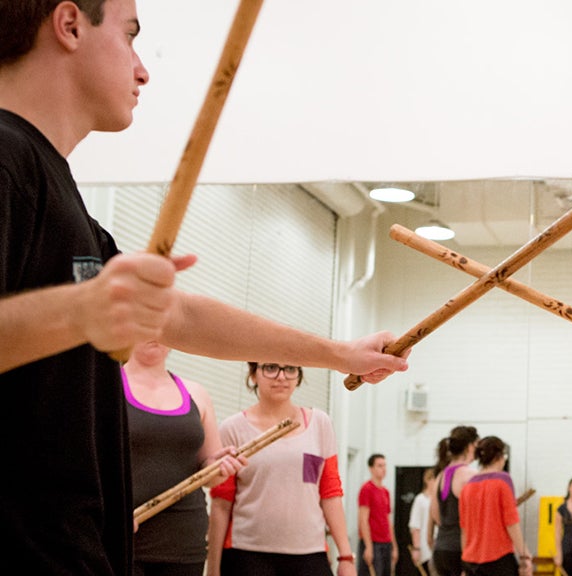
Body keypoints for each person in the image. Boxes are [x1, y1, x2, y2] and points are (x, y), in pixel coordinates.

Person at [0, 1, 407, 573]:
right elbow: (93, 312)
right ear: (69, 25)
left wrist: (340, 354)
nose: (143, 70)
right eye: (130, 36)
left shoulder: (59, 190)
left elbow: (180, 316)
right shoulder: (6, 157)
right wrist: (81, 311)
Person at [206, 362, 357, 576]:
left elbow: (330, 493)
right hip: (247, 554)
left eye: (290, 369)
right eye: (270, 368)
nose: (281, 377)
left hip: (310, 553)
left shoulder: (319, 423)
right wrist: (213, 568)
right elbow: (221, 503)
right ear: (253, 374)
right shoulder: (233, 428)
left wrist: (346, 557)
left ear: (299, 375)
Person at [123, 341, 246, 575]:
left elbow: (209, 473)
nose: (155, 335)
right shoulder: (106, 389)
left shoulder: (196, 393)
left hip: (185, 540)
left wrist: (220, 466)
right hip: (125, 538)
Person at [459, 436, 532, 576]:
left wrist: (465, 561)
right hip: (498, 559)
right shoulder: (503, 481)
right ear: (499, 457)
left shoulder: (467, 487)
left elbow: (464, 530)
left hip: (471, 561)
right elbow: (511, 523)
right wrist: (524, 553)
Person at [431, 425, 480, 576]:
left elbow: (436, 515)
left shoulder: (440, 476)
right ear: (470, 447)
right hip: (461, 550)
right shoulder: (470, 475)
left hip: (441, 548)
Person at [359, 454, 399, 576]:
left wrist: (394, 546)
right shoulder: (366, 489)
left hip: (386, 543)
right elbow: (363, 520)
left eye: (384, 465)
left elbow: (388, 520)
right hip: (373, 543)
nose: (383, 469)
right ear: (371, 468)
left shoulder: (385, 492)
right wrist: (368, 546)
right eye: (379, 465)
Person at [409, 468, 437, 576]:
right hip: (425, 548)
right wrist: (416, 548)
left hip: (437, 547)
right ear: (427, 480)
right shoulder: (420, 500)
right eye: (434, 479)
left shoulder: (438, 499)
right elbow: (415, 526)